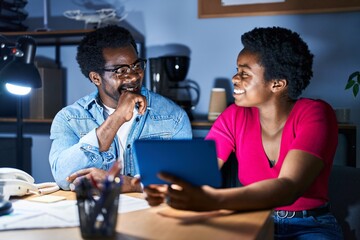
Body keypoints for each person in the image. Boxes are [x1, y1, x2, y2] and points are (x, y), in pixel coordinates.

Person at [144, 27, 343, 239]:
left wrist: (215, 199)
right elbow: (198, 172)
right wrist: (168, 188)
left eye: (244, 73)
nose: (234, 78)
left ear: (277, 84)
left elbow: (289, 187)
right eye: (237, 70)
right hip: (251, 219)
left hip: (308, 225)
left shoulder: (316, 114)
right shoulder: (234, 116)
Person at [49, 25, 192, 192]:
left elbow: (184, 182)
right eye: (121, 70)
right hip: (97, 213)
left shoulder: (173, 117)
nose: (133, 76)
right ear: (96, 78)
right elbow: (63, 178)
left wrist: (129, 184)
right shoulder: (69, 119)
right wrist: (117, 118)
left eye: (137, 66)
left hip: (150, 214)